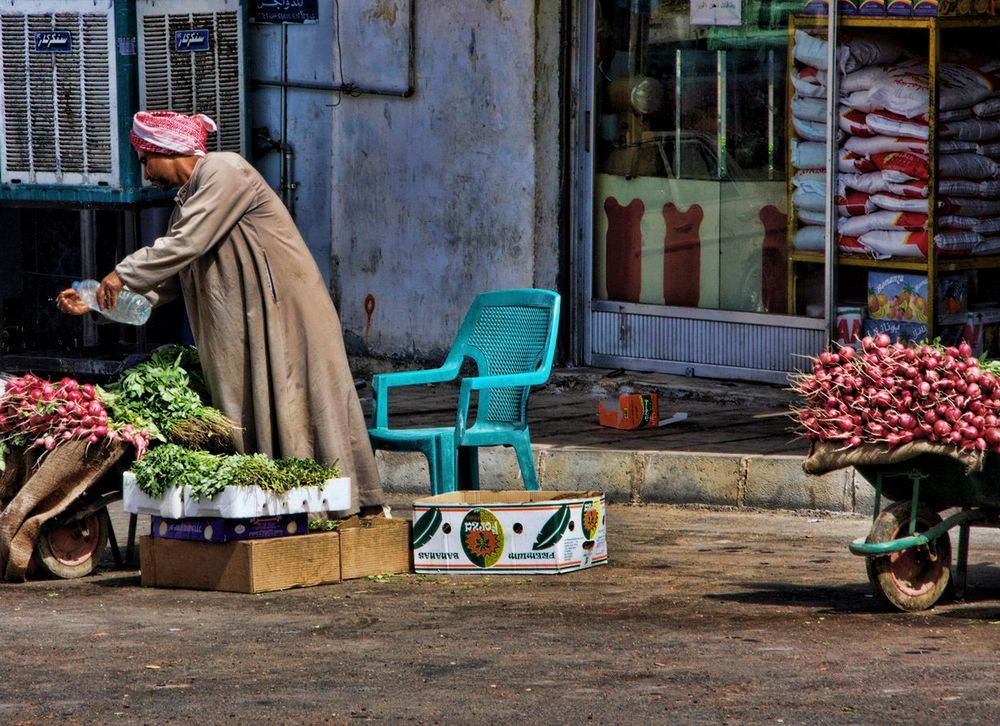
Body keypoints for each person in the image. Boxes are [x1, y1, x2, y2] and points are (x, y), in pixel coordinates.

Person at [56, 111, 385, 517]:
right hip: (247, 327)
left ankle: (350, 507)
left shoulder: (224, 171)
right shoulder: (187, 204)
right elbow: (169, 283)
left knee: (306, 403)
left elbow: (185, 244)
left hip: (286, 315)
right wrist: (95, 302)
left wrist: (121, 274)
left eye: (145, 160)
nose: (146, 173)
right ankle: (286, 511)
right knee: (264, 411)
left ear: (169, 150)